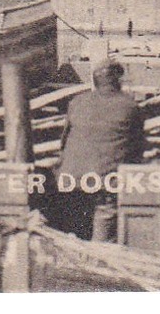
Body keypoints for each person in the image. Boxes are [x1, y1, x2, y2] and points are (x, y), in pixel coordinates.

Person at [55, 59, 146, 241]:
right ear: (118, 81)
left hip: (71, 179)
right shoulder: (130, 107)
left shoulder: (77, 102)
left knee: (75, 230)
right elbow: (138, 150)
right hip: (105, 182)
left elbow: (64, 143)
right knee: (103, 228)